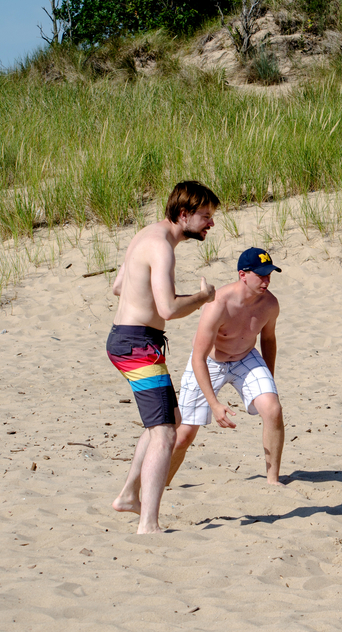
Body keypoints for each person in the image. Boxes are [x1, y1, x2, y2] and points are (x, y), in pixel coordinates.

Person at [107, 181, 218, 534]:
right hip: (136, 345)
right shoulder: (162, 248)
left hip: (132, 340)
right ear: (183, 214)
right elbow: (168, 309)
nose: (210, 224)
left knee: (167, 418)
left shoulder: (147, 235)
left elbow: (119, 286)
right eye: (205, 216)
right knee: (165, 433)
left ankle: (128, 495)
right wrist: (203, 298)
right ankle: (148, 524)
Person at [168, 248, 285, 486]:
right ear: (243, 274)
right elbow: (198, 357)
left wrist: (268, 379)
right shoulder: (218, 303)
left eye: (269, 274)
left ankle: (272, 481)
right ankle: (162, 484)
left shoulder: (270, 304)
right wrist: (215, 404)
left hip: (245, 357)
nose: (266, 280)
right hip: (210, 361)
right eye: (261, 275)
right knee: (184, 436)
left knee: (273, 410)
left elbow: (268, 339)